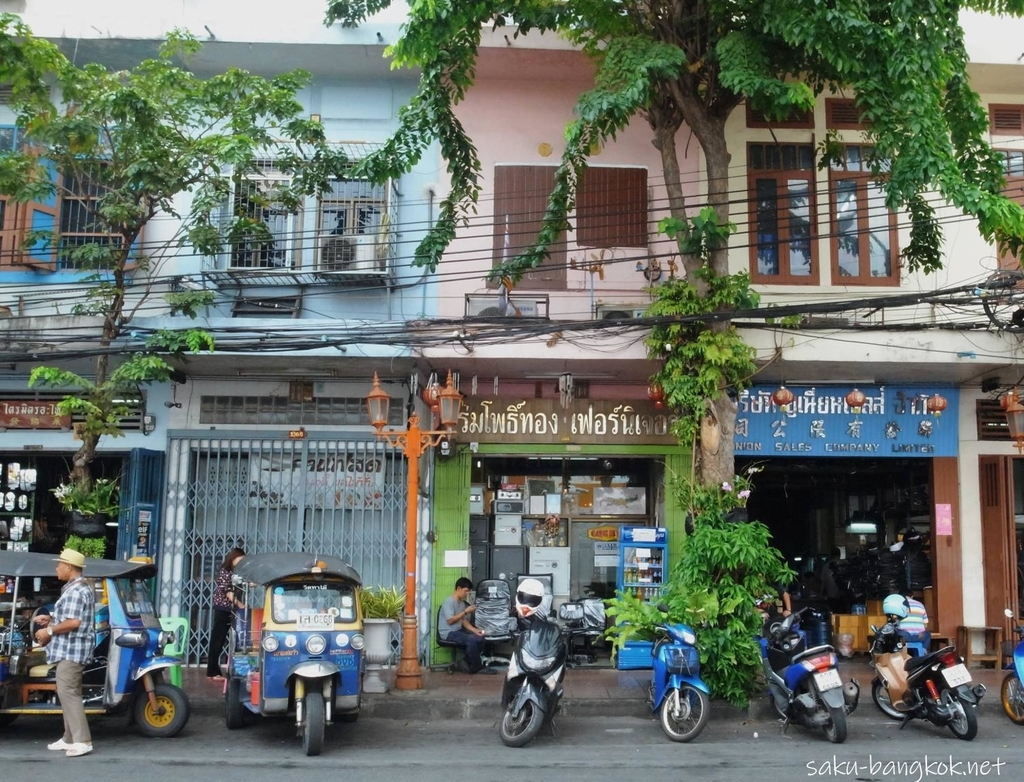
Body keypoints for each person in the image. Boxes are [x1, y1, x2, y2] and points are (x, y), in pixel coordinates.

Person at [33, 548, 95, 758]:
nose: (57, 568)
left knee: (68, 693)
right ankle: (69, 737)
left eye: (60, 564)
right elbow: (70, 618)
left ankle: (82, 740)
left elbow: (74, 622)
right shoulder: (74, 588)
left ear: (69, 567)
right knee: (68, 692)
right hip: (70, 649)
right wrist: (51, 620)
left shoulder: (77, 591)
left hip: (72, 650)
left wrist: (49, 630)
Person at [438, 577, 497, 674]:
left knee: (480, 638)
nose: (466, 594)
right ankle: (478, 667)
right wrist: (466, 611)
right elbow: (450, 620)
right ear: (458, 588)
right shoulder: (448, 601)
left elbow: (463, 621)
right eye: (465, 591)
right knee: (471, 640)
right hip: (449, 632)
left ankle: (465, 661)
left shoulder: (461, 603)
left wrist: (475, 630)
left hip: (458, 630)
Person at [207, 546, 246, 680]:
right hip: (223, 609)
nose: (241, 562)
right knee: (218, 639)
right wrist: (241, 605)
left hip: (233, 609)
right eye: (239, 560)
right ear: (232, 558)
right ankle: (212, 672)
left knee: (234, 639)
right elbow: (227, 591)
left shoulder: (237, 572)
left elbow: (245, 583)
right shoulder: (225, 571)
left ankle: (229, 669)